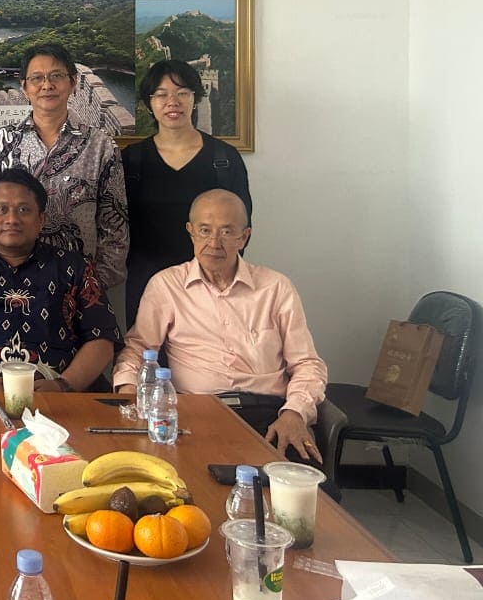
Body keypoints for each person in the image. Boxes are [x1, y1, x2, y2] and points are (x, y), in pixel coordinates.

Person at [112, 189, 327, 462]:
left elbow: (307, 364)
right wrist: (129, 391)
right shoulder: (166, 285)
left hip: (269, 414)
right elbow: (138, 348)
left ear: (244, 237)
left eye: (226, 232)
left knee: (298, 484)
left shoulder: (276, 288)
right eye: (204, 230)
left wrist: (294, 413)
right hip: (195, 414)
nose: (214, 243)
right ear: (191, 232)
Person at [0, 169, 122, 393]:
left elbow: (101, 338)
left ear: (41, 220)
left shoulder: (75, 267)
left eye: (23, 210)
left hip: (59, 395)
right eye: (2, 209)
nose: (12, 219)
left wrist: (62, 386)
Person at [0, 43, 128, 295]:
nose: (47, 85)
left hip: (77, 290)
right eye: (37, 78)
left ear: (73, 82)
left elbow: (115, 226)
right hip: (6, 288)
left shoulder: (101, 146)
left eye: (56, 76)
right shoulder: (1, 142)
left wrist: (93, 286)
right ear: (24, 87)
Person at [121, 59, 251, 329]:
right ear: (149, 103)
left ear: (195, 98)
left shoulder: (224, 159)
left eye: (182, 93)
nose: (173, 102)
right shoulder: (131, 160)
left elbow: (241, 225)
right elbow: (115, 225)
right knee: (147, 352)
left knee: (211, 353)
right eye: (161, 94)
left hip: (212, 281)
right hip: (147, 283)